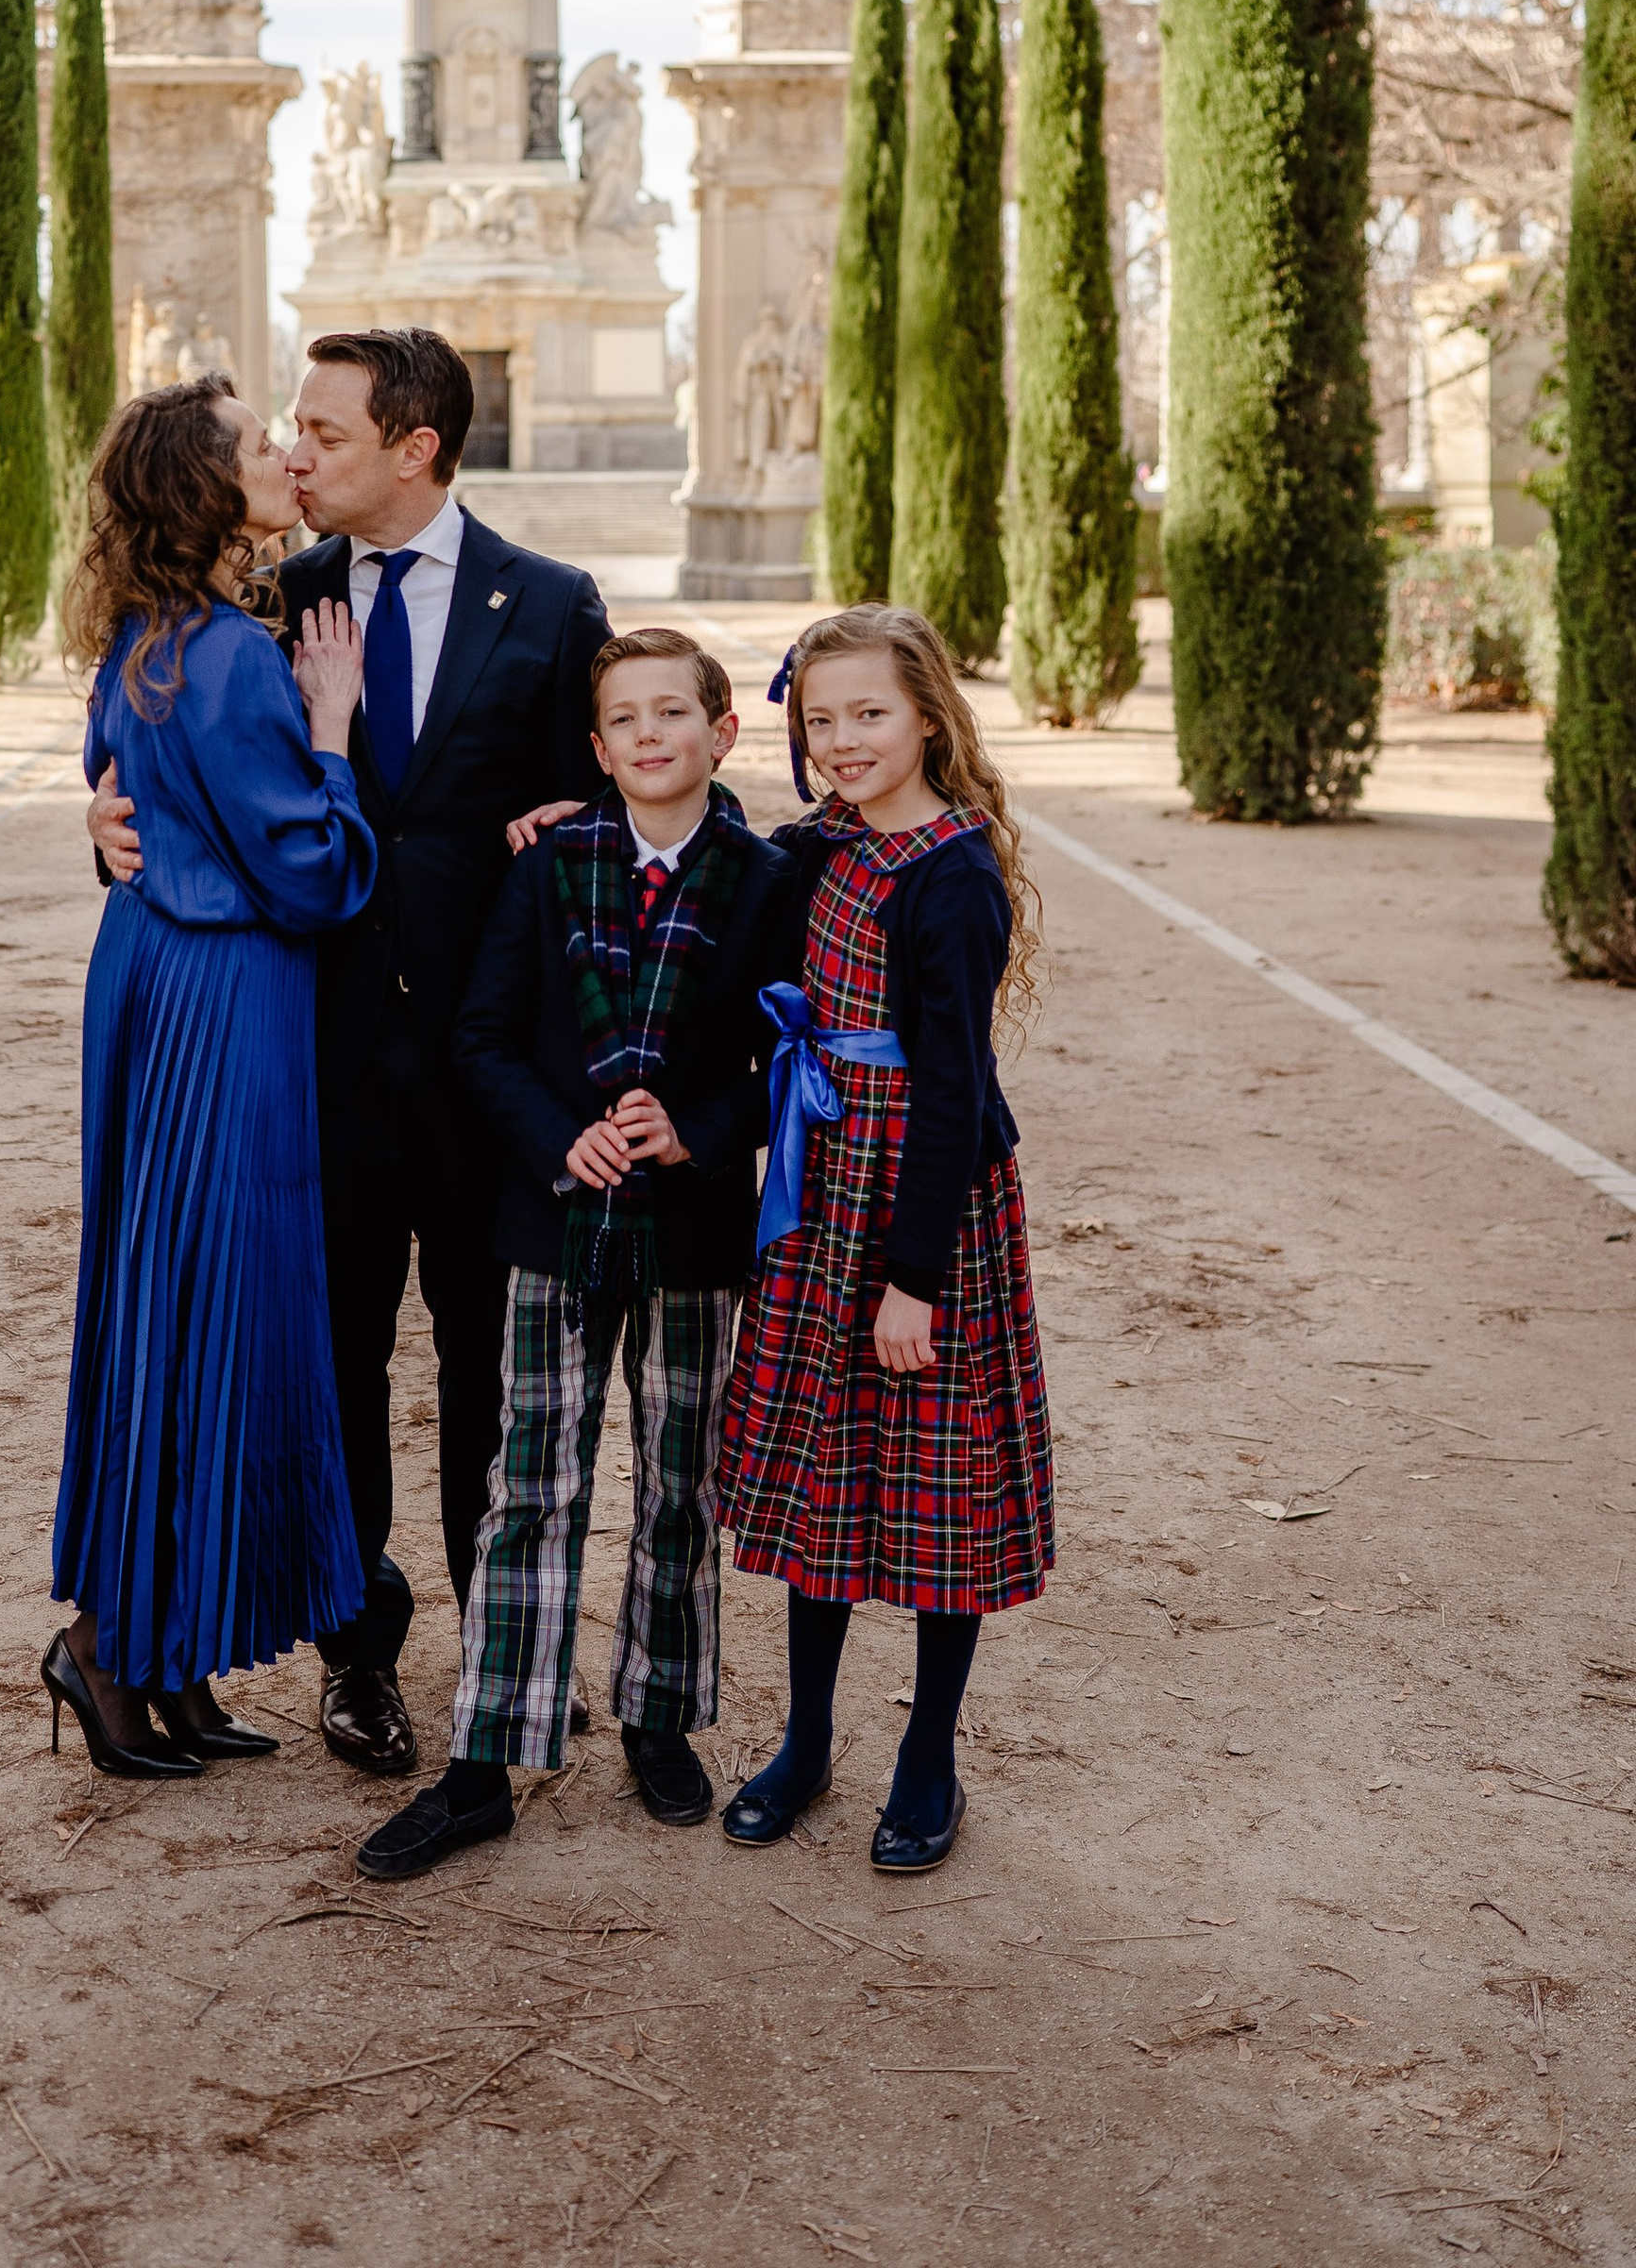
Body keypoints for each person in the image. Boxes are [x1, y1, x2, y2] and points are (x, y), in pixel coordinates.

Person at [89, 326, 610, 1778]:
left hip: (490, 1082)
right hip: (307, 1078)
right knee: (334, 1375)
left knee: (492, 1384)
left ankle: (510, 1650)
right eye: (289, 435)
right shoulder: (273, 598)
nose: (300, 453)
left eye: (324, 431)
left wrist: (597, 833)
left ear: (415, 448)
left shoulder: (554, 605)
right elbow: (181, 770)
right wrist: (102, 826)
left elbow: (632, 789)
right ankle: (357, 1660)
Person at [357, 629, 804, 1881]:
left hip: (698, 1234)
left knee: (681, 1484)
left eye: (676, 712)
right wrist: (567, 1139)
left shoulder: (767, 879)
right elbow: (484, 1035)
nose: (651, 734)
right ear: (597, 748)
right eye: (625, 719)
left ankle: (659, 1718)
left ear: (723, 733)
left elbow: (787, 1059)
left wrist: (702, 1130)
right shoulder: (553, 860)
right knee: (531, 1492)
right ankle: (485, 1762)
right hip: (555, 1224)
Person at [45, 377, 377, 1780]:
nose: (285, 454)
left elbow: (114, 787)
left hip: (147, 974)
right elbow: (310, 873)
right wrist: (338, 731)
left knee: (161, 1310)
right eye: (259, 444)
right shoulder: (242, 661)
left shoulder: (140, 635)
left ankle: (157, 1652)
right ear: (204, 488)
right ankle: (112, 1653)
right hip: (224, 995)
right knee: (206, 1316)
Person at [715, 604, 1054, 1871]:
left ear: (927, 717)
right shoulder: (818, 848)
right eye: (821, 719)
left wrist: (914, 1280)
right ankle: (806, 1740)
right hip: (824, 1197)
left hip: (923, 1209)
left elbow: (957, 1090)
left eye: (871, 715)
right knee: (825, 1470)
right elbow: (718, 891)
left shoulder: (951, 875)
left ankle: (928, 1755)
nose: (845, 739)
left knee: (934, 1487)